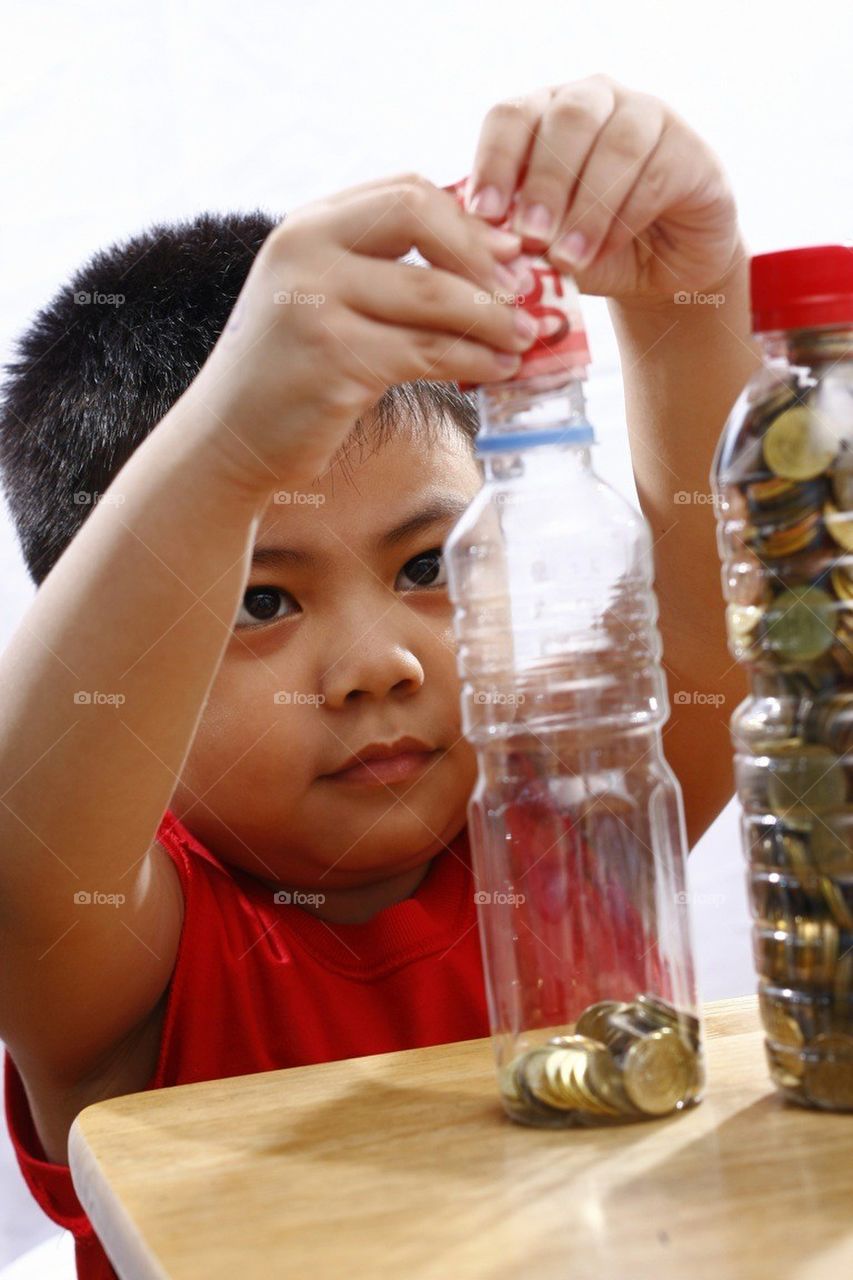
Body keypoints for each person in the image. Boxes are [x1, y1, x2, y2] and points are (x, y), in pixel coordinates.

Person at [0, 75, 758, 1279]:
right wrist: (229, 445)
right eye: (261, 599)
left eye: (427, 564)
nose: (378, 664)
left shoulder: (563, 819)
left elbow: (713, 632)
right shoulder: (129, 957)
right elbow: (23, 855)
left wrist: (682, 295)